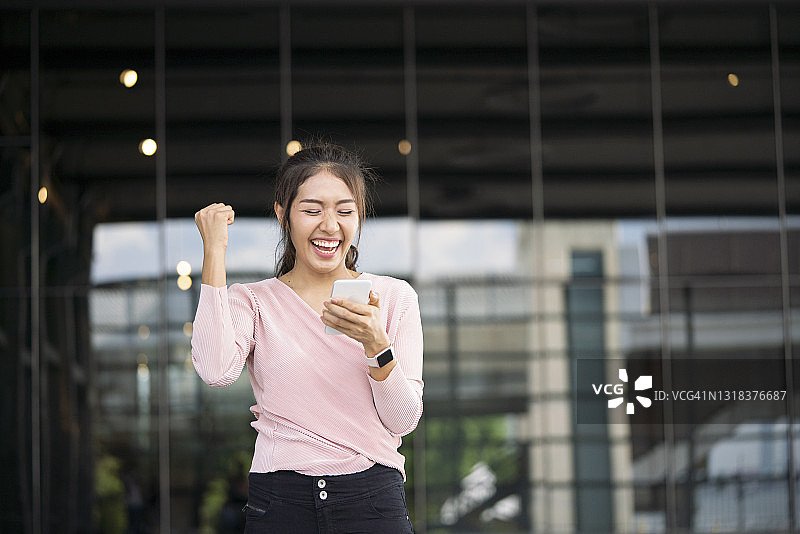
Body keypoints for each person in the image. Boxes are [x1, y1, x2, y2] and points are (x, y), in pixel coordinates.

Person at [190, 142, 424, 533]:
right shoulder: (255, 302)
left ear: (359, 218)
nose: (330, 225)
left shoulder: (394, 298)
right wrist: (214, 251)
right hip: (280, 501)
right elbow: (215, 370)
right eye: (312, 210)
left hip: (371, 499)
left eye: (345, 211)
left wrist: (376, 346)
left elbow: (402, 419)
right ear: (283, 215)